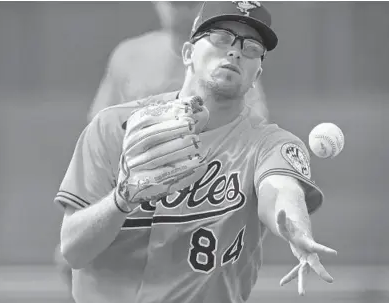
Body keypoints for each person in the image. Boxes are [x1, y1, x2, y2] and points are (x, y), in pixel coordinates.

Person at [54, 2, 338, 303]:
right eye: (221, 38)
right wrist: (121, 199)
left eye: (252, 47)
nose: (235, 51)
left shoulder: (268, 143)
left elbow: (280, 190)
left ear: (257, 73)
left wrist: (295, 227)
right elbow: (72, 250)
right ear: (188, 53)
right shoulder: (114, 127)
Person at [87, 1, 269, 122]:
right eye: (175, 2)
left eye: (190, 2)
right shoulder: (128, 56)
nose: (182, 10)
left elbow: (255, 124)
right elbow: (100, 124)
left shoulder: (231, 58)